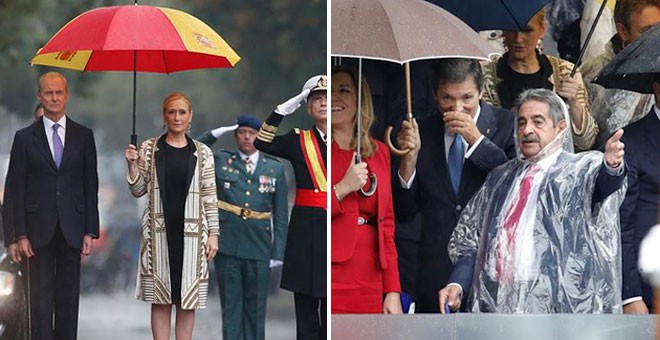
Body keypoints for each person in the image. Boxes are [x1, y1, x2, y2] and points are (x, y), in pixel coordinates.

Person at [439, 88, 626, 313]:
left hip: (558, 307)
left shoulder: (578, 172)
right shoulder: (500, 178)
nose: (527, 130)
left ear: (560, 128)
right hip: (496, 303)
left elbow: (604, 187)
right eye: (522, 122)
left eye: (538, 122)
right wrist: (457, 283)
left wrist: (612, 166)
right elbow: (470, 241)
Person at [393, 58, 516, 313]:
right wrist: (409, 161)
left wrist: (476, 140)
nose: (457, 108)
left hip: (490, 268)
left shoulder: (507, 125)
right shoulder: (422, 130)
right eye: (448, 98)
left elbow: (512, 186)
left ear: (481, 93)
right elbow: (405, 211)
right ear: (435, 95)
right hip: (435, 268)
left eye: (467, 98)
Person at [1, 71, 99, 340]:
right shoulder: (24, 138)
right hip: (34, 233)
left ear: (66, 95)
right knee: (39, 304)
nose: (54, 98)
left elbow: (90, 186)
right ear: (39, 96)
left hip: (73, 229)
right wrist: (16, 236)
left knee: (68, 301)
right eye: (48, 93)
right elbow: (14, 191)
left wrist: (90, 230)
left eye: (59, 92)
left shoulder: (83, 136)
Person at [124, 92, 219, 340]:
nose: (177, 117)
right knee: (161, 297)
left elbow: (210, 196)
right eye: (171, 112)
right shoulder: (148, 148)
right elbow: (137, 190)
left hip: (193, 234)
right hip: (158, 233)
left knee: (188, 299)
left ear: (190, 117)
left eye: (182, 112)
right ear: (164, 116)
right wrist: (132, 164)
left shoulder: (204, 153)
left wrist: (214, 235)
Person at [197, 115, 288, 340]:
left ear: (261, 136)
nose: (247, 137)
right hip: (227, 244)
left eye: (252, 133)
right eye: (241, 132)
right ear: (235, 135)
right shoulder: (221, 160)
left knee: (256, 309)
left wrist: (278, 252)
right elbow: (195, 150)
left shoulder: (274, 169)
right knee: (231, 308)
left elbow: (281, 216)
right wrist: (216, 133)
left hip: (259, 246)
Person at [254, 75, 326, 340]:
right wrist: (283, 110)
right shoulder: (299, 140)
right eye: (316, 99)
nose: (323, 103)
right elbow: (262, 142)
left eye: (328, 99)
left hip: (335, 227)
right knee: (306, 310)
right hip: (306, 231)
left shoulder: (348, 142)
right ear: (307, 107)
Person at [330, 65, 402, 314]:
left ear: (360, 100)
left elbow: (388, 225)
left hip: (372, 274)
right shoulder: (316, 148)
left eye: (344, 90)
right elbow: (311, 210)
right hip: (331, 270)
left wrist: (392, 290)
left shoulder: (379, 151)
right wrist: (342, 188)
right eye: (328, 91)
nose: (334, 98)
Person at [481, 9, 599, 151]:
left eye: (527, 31)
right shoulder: (485, 76)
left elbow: (586, 142)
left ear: (542, 29)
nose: (518, 39)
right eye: (512, 30)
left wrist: (574, 103)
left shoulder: (565, 71)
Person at [581, 0, 660, 149]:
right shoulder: (591, 75)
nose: (655, 38)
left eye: (659, 29)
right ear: (623, 31)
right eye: (647, 31)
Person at [619, 77, 660, 314]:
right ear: (656, 87)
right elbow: (620, 225)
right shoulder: (629, 141)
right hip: (650, 288)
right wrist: (630, 295)